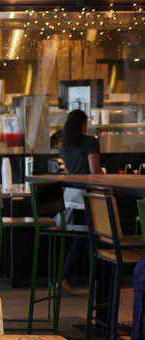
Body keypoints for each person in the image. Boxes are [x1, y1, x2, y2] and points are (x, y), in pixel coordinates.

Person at [59, 109, 103, 296]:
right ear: (83, 125)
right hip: (86, 195)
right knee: (87, 239)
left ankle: (69, 278)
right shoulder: (90, 142)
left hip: (70, 195)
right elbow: (94, 171)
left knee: (81, 238)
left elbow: (69, 171)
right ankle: (66, 277)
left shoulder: (64, 145)